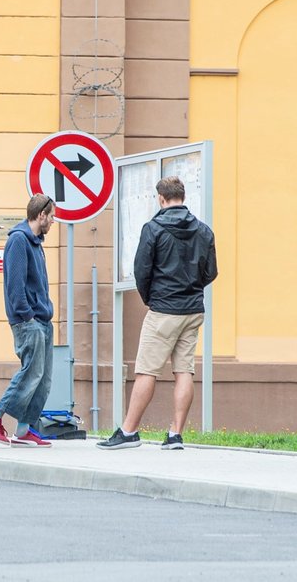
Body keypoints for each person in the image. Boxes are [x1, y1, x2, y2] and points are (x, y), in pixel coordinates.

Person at [97, 176, 218, 451]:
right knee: (184, 371)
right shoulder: (204, 231)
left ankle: (129, 431)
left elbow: (141, 271)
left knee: (147, 371)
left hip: (163, 309)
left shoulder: (153, 229)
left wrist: (152, 297)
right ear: (182, 197)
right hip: (192, 309)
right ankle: (175, 434)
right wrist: (192, 287)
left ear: (161, 199)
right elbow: (211, 272)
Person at [0, 193, 56, 448]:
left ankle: (23, 430)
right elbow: (15, 287)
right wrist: (28, 317)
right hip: (28, 322)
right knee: (29, 374)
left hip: (42, 320)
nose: (54, 221)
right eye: (52, 216)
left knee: (43, 379)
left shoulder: (35, 242)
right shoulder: (19, 240)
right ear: (41, 214)